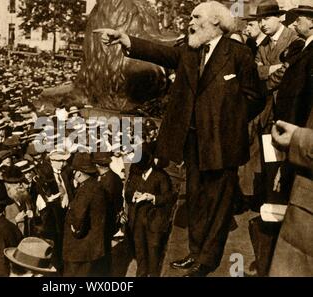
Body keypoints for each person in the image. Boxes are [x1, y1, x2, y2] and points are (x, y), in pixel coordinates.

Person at [95, 0, 264, 276]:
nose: (191, 21)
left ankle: (207, 260)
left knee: (218, 206)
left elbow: (255, 98)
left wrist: (227, 123)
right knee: (196, 200)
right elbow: (161, 52)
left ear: (216, 22)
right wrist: (127, 39)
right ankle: (195, 253)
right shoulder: (190, 51)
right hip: (193, 143)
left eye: (197, 17)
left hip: (223, 144)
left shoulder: (239, 54)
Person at [268, 4, 313, 277]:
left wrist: (294, 139)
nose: (295, 24)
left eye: (301, 19)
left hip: (296, 141)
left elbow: (301, 97)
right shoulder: (303, 47)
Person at [125, 149, 175, 276]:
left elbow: (169, 197)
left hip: (154, 221)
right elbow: (127, 193)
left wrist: (153, 198)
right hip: (137, 221)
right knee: (140, 251)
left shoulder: (161, 176)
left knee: (153, 251)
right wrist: (133, 195)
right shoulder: (135, 175)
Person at [62, 153, 108, 277]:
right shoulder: (96, 186)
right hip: (90, 247)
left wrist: (74, 228)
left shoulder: (86, 191)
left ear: (79, 173)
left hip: (79, 249)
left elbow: (78, 219)